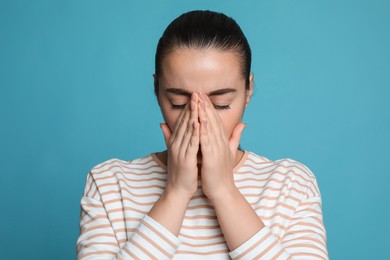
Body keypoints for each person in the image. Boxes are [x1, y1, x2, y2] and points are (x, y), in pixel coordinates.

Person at [76, 10, 328, 259]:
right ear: (156, 89)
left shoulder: (291, 185)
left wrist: (224, 191)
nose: (198, 120)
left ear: (248, 90)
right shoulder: (109, 184)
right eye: (177, 102)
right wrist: (175, 192)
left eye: (220, 104)